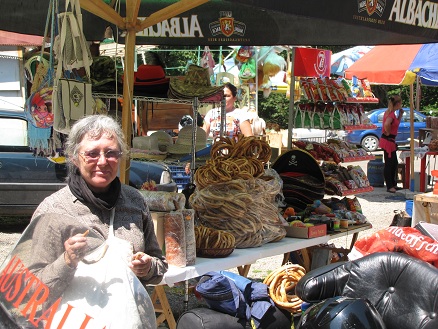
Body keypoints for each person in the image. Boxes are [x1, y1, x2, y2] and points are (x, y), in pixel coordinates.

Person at [28, 115, 167, 324]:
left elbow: (160, 266)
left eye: (111, 153)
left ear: (120, 156)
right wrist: (66, 262)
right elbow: (30, 289)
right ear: (75, 158)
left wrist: (147, 268)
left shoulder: (134, 201)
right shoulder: (53, 211)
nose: (102, 161)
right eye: (92, 154)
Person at [379, 95, 404, 193]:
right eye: (400, 103)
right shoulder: (390, 114)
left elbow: (394, 123)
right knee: (389, 164)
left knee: (394, 163)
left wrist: (400, 115)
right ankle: (390, 186)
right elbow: (387, 124)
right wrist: (388, 131)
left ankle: (393, 184)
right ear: (397, 104)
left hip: (390, 141)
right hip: (388, 140)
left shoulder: (391, 113)